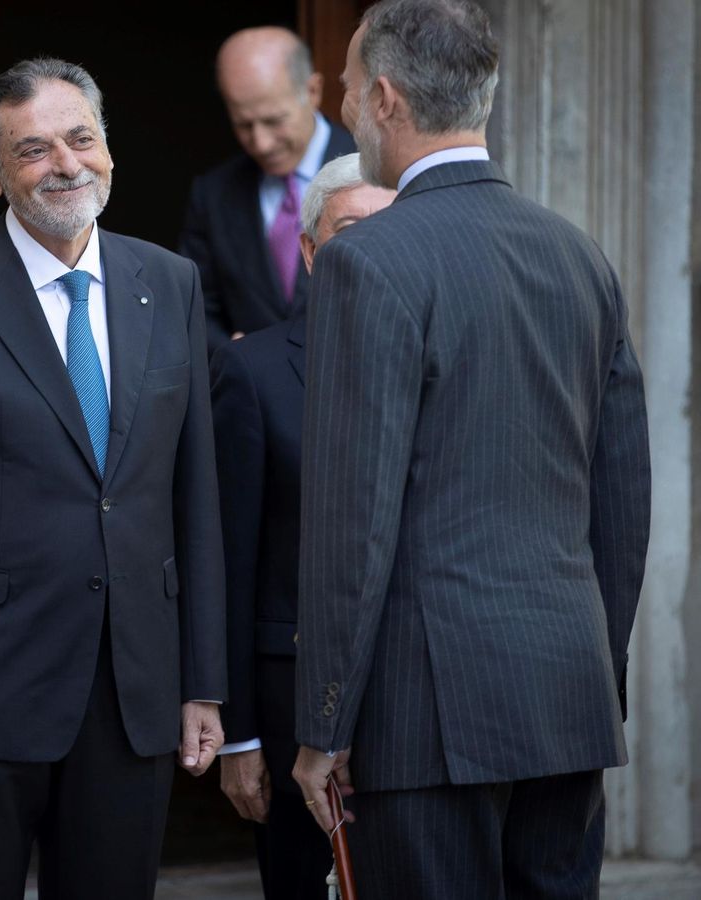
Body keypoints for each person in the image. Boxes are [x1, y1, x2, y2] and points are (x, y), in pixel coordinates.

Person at [291, 1, 652, 896]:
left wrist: (324, 724)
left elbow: (352, 517)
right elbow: (624, 499)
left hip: (425, 718)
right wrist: (597, 675)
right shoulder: (579, 254)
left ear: (382, 98)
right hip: (567, 700)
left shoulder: (364, 261)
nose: (340, 110)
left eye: (342, 90)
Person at [0, 57, 226, 900]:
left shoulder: (168, 283)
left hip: (134, 691)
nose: (65, 163)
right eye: (32, 149)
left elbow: (194, 498)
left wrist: (203, 682)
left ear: (108, 150)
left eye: (80, 139)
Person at [211, 153, 395, 900]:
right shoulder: (251, 372)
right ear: (313, 251)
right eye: (352, 231)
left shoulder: (448, 351)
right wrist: (240, 735)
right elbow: (228, 558)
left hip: (419, 703)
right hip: (290, 712)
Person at [181, 27, 357, 350]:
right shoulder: (214, 194)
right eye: (243, 125)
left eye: (274, 121)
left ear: (313, 90)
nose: (260, 143)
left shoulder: (369, 170)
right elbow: (194, 306)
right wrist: (231, 352)